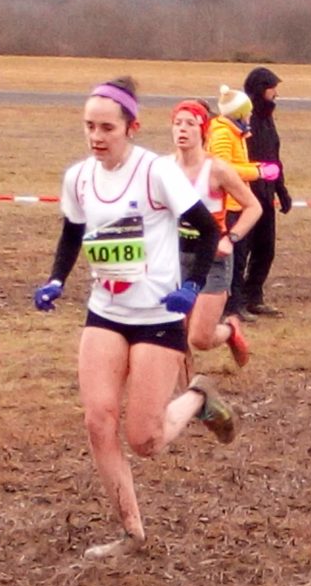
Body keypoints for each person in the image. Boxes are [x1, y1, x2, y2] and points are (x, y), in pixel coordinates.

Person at [32, 77, 237, 560]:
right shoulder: (78, 177)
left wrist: (189, 287)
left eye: (107, 127)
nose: (96, 137)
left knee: (143, 439)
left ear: (132, 127)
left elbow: (207, 230)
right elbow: (72, 232)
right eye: (89, 127)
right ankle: (131, 531)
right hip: (104, 312)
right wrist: (57, 279)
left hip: (158, 317)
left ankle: (200, 395)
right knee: (98, 420)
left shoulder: (155, 173)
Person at [170, 99, 262, 368]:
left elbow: (253, 207)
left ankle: (230, 331)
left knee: (199, 338)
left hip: (212, 258)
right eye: (177, 124)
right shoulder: (164, 168)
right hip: (175, 255)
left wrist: (230, 238)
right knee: (177, 333)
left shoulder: (217, 169)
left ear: (204, 130)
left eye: (190, 124)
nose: (182, 130)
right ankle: (181, 393)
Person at [208, 84, 279, 322]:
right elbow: (223, 169)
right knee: (231, 262)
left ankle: (235, 305)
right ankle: (228, 308)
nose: (250, 116)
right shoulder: (222, 134)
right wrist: (257, 171)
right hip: (228, 207)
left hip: (236, 204)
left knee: (238, 261)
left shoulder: (235, 132)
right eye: (247, 112)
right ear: (238, 114)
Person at [242, 67, 292, 318]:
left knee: (265, 248)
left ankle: (254, 296)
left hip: (266, 193)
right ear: (262, 88)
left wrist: (281, 190)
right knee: (242, 248)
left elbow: (273, 156)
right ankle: (234, 300)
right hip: (245, 195)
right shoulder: (244, 118)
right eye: (273, 88)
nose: (277, 94)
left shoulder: (268, 119)